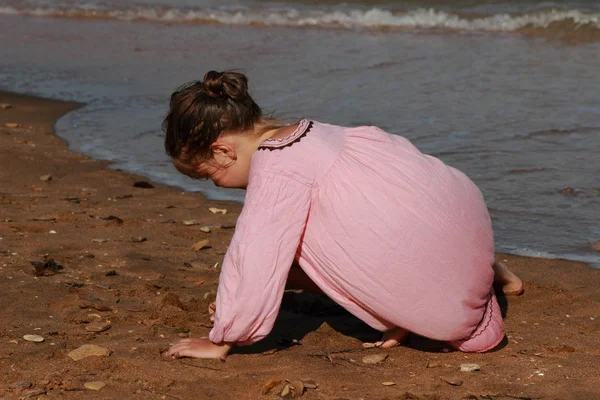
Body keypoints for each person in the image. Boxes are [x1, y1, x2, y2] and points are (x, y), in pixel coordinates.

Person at [162, 70, 523, 359]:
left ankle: (409, 305)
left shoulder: (276, 169)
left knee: (280, 252)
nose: (217, 186)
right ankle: (489, 270)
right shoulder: (317, 132)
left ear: (223, 151)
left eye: (211, 175)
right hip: (465, 224)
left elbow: (255, 256)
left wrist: (224, 336)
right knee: (357, 217)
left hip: (447, 307)